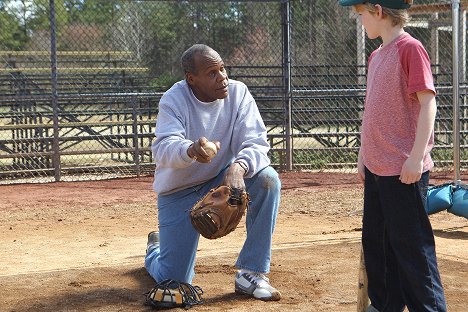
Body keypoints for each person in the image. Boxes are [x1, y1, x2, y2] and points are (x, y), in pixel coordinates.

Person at [145, 43, 282, 302]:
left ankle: (252, 272)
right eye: (212, 73)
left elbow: (257, 143)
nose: (222, 77)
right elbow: (162, 148)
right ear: (191, 79)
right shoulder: (174, 99)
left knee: (267, 179)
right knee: (174, 281)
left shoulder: (239, 94)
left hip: (221, 180)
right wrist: (191, 150)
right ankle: (155, 250)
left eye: (222, 68)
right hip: (179, 191)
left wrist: (238, 167)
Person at [338, 1, 447, 311]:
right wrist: (363, 152)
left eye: (360, 14)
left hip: (403, 170)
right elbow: (372, 109)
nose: (359, 20)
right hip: (376, 167)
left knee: (411, 248)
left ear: (378, 10)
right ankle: (386, 304)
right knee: (378, 245)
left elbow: (428, 104)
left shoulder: (410, 48)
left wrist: (416, 156)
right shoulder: (376, 56)